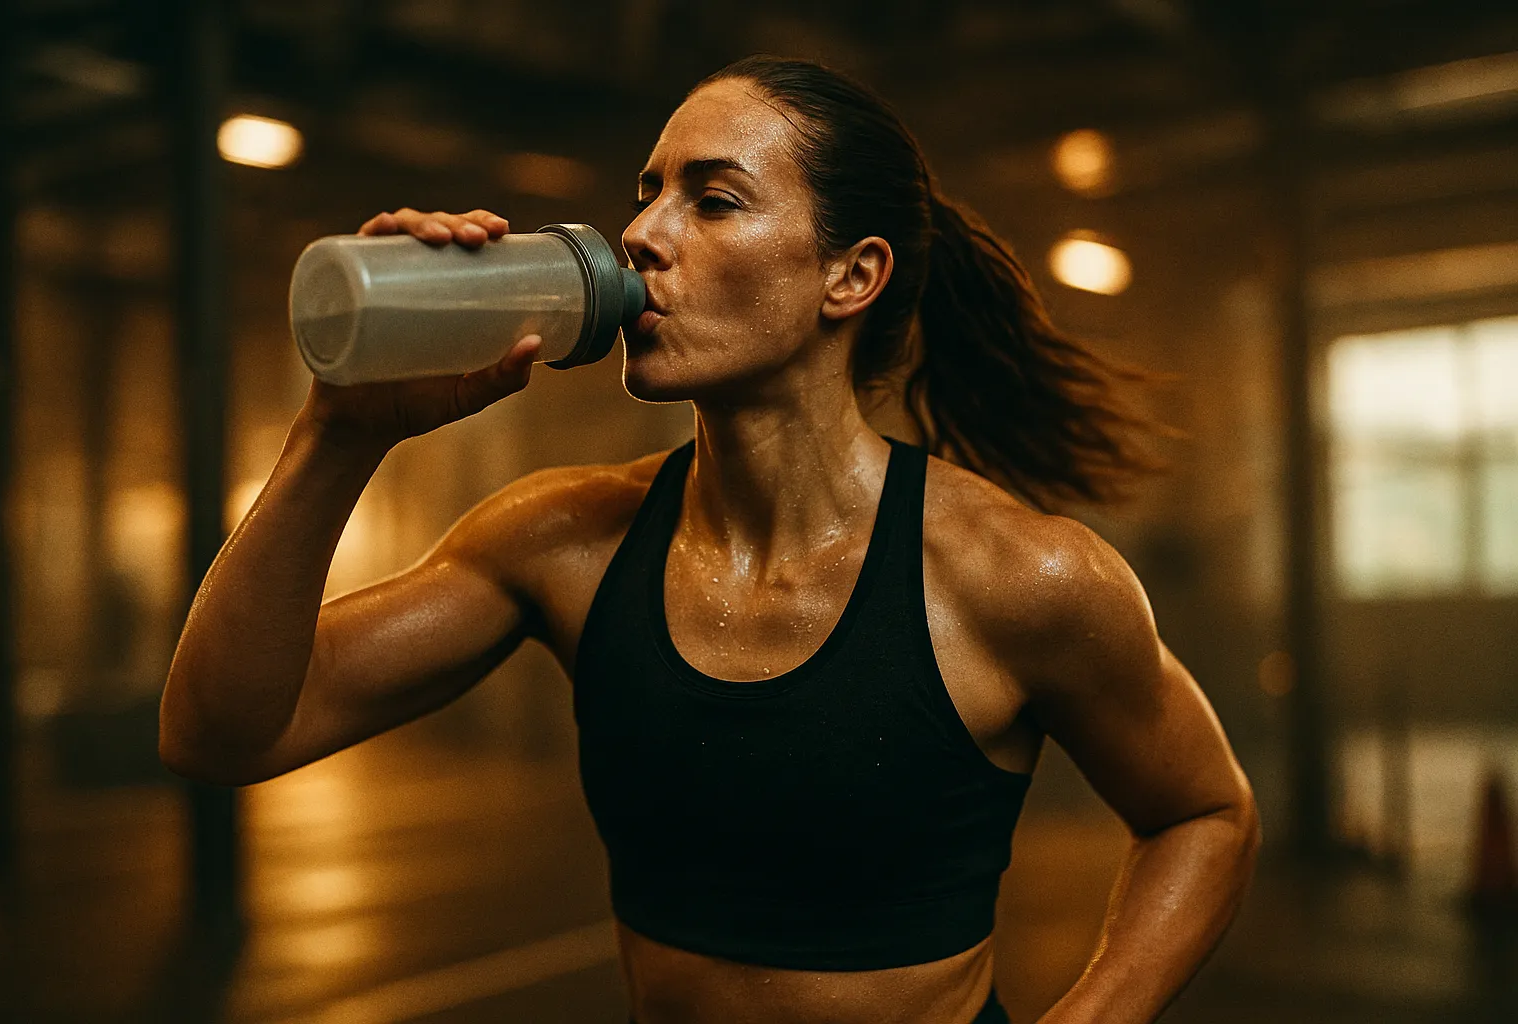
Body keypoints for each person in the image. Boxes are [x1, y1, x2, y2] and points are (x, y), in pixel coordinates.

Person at [161, 55, 1259, 1024]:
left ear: (850, 275)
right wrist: (337, 434)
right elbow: (221, 732)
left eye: (715, 200)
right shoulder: (561, 540)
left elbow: (1205, 811)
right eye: (647, 195)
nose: (641, 233)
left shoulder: (1019, 576)